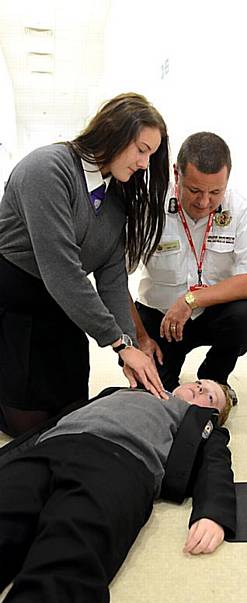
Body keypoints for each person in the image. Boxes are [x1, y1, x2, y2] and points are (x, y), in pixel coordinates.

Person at [0, 93, 170, 438]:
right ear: (113, 132)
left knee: (71, 415)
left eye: (150, 154)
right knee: (30, 432)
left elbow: (111, 280)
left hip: (64, 304)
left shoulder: (116, 196)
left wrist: (131, 351)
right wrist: (120, 345)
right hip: (16, 302)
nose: (144, 163)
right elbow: (61, 270)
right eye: (141, 149)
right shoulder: (47, 169)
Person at [0, 379, 235, 603]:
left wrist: (213, 513)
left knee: (70, 553)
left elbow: (216, 463)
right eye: (199, 383)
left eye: (209, 396)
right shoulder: (121, 391)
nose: (199, 388)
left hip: (120, 463)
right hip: (53, 446)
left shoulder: (195, 419)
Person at [132, 132, 247, 397]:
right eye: (195, 190)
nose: (204, 202)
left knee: (245, 316)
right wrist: (140, 340)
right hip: (161, 318)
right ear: (177, 174)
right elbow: (114, 276)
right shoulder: (149, 207)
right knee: (154, 396)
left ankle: (215, 376)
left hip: (213, 314)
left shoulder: (242, 209)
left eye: (215, 192)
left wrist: (191, 300)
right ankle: (165, 372)